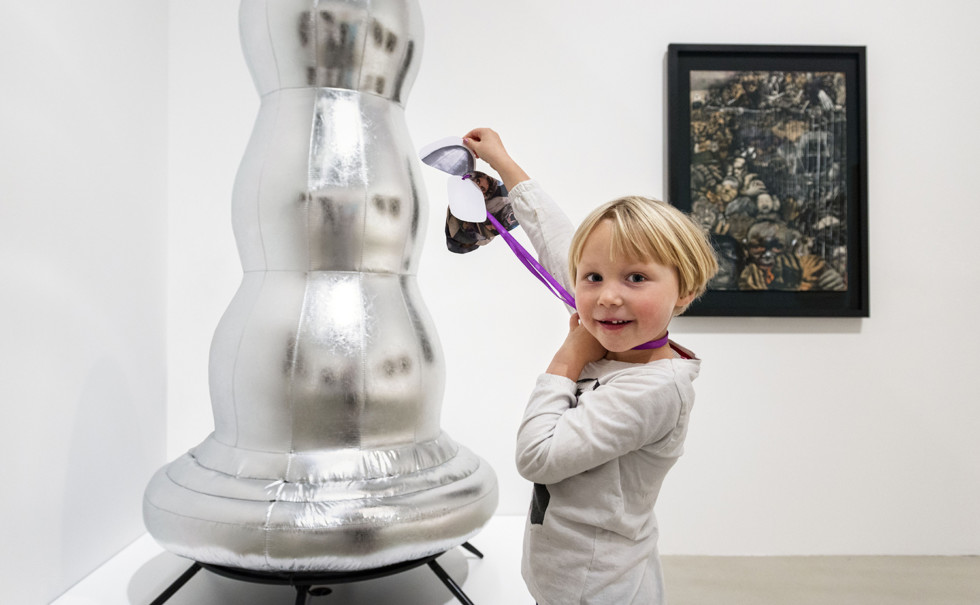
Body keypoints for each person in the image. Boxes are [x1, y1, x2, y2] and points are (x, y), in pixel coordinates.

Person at [461, 128, 718, 605]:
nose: (608, 296)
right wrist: (503, 161)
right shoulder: (615, 331)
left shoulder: (653, 389)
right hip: (569, 571)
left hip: (598, 586)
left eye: (637, 277)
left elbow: (537, 456)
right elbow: (557, 237)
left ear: (684, 291)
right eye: (593, 277)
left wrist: (570, 355)